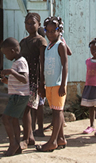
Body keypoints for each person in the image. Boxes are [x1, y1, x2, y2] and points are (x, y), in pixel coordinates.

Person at [36, 16, 68, 152]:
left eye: (52, 31)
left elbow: (65, 64)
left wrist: (62, 84)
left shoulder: (60, 45)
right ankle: (60, 138)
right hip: (49, 83)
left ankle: (53, 141)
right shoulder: (48, 47)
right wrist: (42, 83)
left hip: (58, 84)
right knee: (57, 111)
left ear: (59, 30)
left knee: (56, 112)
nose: (50, 34)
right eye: (47, 31)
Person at [19, 13, 46, 147]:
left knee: (28, 108)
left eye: (33, 23)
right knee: (26, 108)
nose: (30, 25)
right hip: (23, 80)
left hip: (34, 80)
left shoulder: (41, 41)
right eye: (27, 23)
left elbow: (42, 62)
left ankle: (28, 137)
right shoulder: (23, 41)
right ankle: (29, 136)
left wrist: (42, 83)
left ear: (39, 25)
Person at [0, 37, 30, 156]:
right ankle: (16, 144)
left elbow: (24, 79)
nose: (5, 56)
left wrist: (11, 72)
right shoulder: (17, 62)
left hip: (19, 96)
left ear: (13, 51)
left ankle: (13, 144)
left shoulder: (21, 62)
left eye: (6, 54)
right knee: (13, 119)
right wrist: (8, 81)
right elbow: (19, 80)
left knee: (5, 118)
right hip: (17, 95)